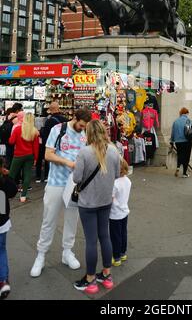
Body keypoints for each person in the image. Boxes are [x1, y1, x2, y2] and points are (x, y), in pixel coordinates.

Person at [30, 108, 92, 278]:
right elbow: (48, 155)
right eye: (81, 125)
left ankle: (67, 252)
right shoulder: (58, 130)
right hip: (56, 182)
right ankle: (41, 255)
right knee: (48, 219)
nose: (82, 128)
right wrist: (68, 163)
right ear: (75, 118)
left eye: (85, 126)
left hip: (74, 184)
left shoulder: (85, 134)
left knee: (72, 219)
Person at [73, 120, 120, 294]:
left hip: (88, 203)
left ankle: (91, 279)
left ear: (89, 133)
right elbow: (115, 175)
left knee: (91, 241)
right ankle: (106, 275)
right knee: (105, 237)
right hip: (105, 200)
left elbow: (76, 179)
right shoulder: (114, 151)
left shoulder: (84, 152)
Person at [8, 113, 39, 203]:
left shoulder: (17, 129)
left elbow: (11, 141)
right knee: (27, 175)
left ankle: (7, 192)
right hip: (29, 155)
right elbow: (36, 147)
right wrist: (35, 158)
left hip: (18, 155)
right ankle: (23, 196)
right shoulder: (35, 131)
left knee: (11, 175)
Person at [36, 101, 67, 183]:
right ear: (58, 108)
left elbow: (45, 134)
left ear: (50, 110)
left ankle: (46, 176)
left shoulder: (48, 121)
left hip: (50, 144)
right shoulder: (65, 120)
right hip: (62, 145)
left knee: (48, 159)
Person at [0, 157, 18, 299]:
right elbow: (13, 191)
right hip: (1, 220)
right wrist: (7, 175)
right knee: (1, 250)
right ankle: (4, 280)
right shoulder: (3, 181)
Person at [109, 158, 132, 267]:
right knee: (123, 233)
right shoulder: (127, 180)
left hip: (115, 214)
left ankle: (116, 257)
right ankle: (123, 253)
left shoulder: (114, 183)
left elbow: (112, 199)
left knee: (115, 236)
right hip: (125, 211)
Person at [170, 108, 192, 178]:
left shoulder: (175, 121)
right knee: (187, 157)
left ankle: (178, 167)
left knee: (180, 154)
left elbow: (173, 133)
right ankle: (184, 173)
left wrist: (172, 141)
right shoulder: (189, 120)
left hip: (178, 142)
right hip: (187, 141)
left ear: (180, 113)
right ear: (187, 113)